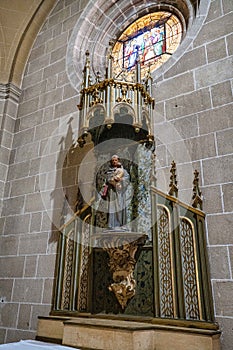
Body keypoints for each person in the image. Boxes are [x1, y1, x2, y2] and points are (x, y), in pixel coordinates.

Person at [101, 155, 130, 230]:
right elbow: (108, 179)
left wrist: (121, 180)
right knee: (113, 208)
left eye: (116, 160)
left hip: (120, 192)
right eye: (113, 160)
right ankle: (113, 225)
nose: (114, 162)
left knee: (120, 207)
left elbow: (127, 178)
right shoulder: (109, 171)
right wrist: (112, 179)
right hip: (112, 192)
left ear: (118, 161)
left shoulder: (123, 170)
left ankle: (122, 224)